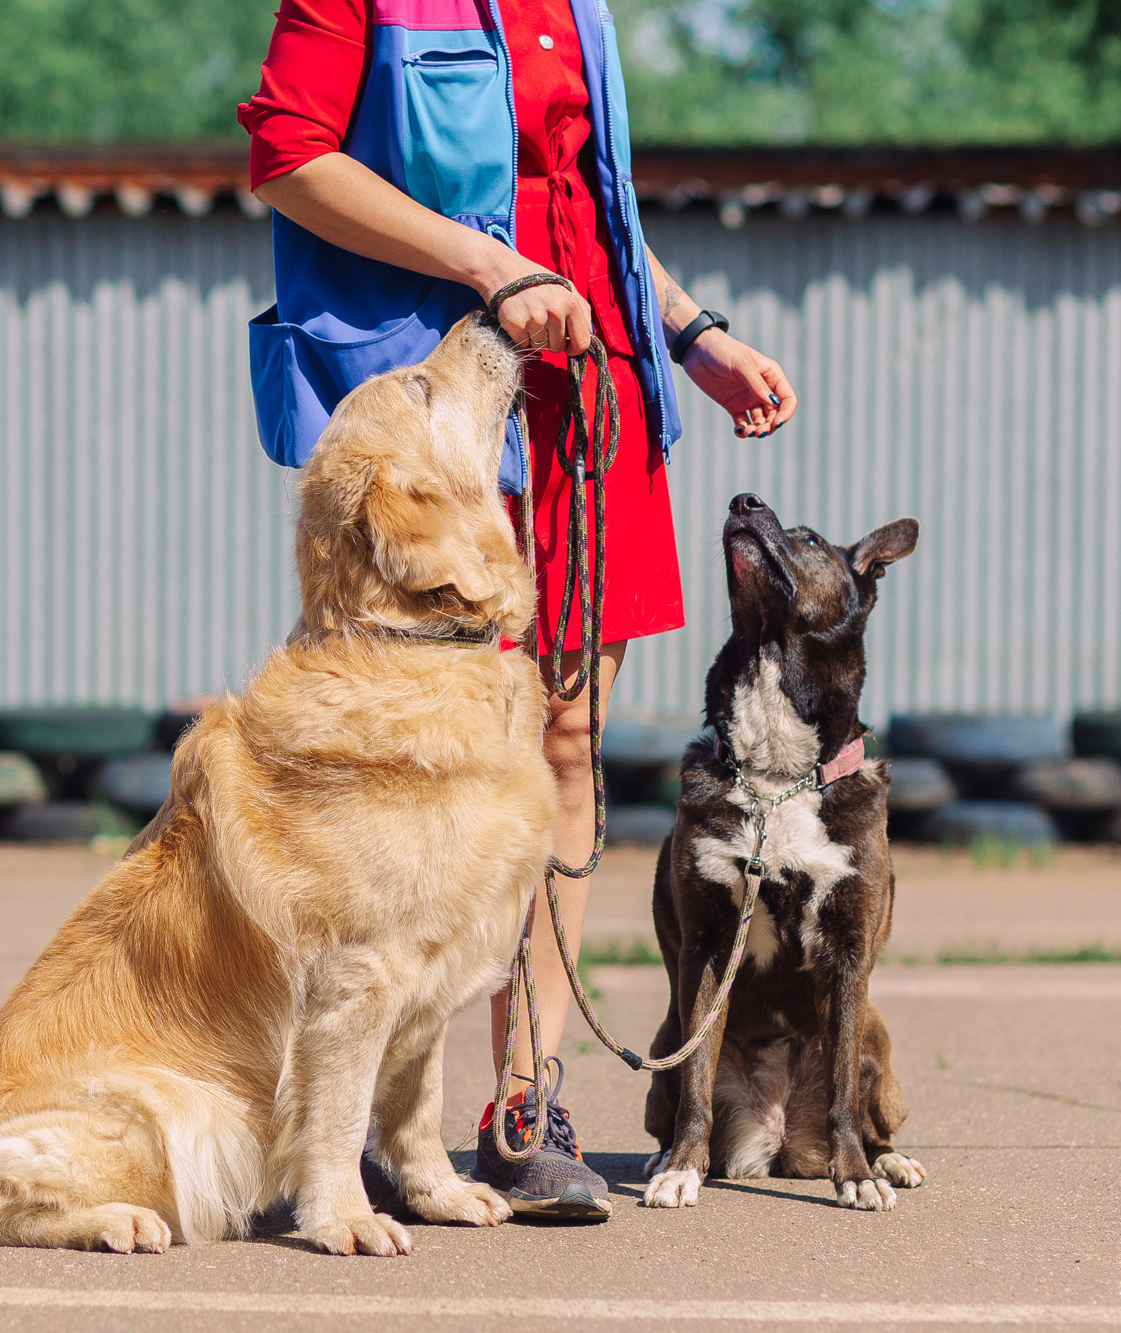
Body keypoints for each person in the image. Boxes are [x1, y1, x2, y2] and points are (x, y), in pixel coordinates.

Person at [239, 0, 798, 1221]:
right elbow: (287, 157)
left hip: (587, 407)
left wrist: (688, 333)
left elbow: (581, 207)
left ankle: (523, 1101)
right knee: (412, 761)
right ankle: (364, 1108)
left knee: (559, 747)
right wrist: (484, 266)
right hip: (450, 423)